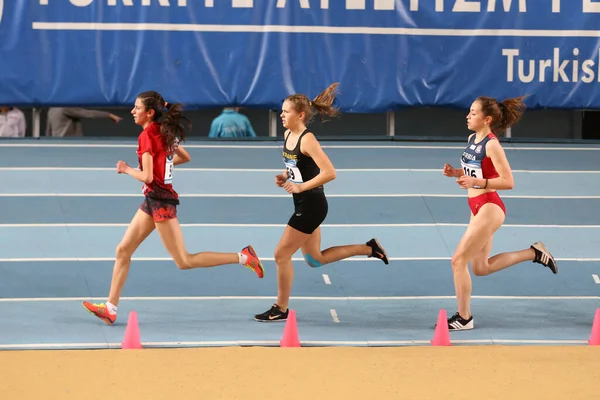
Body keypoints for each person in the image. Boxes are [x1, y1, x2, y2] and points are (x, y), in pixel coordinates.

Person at [82, 91, 264, 325]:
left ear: (149, 112)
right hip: (153, 200)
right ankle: (110, 308)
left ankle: (244, 257)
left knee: (184, 261)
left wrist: (126, 169)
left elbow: (147, 176)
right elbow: (184, 157)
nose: (132, 111)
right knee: (123, 250)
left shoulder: (147, 135)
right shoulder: (163, 130)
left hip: (161, 202)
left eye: (136, 107)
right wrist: (162, 162)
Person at [253, 83, 389, 322]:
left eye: (286, 112)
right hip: (303, 203)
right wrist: (285, 176)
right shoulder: (288, 135)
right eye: (281, 111)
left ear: (300, 115)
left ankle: (281, 308)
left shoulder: (308, 140)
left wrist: (300, 186)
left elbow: (330, 172)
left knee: (280, 255)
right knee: (315, 259)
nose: (281, 115)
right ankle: (370, 248)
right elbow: (297, 165)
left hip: (311, 206)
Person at [441, 95, 557, 331]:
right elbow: (474, 168)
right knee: (480, 268)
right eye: (469, 111)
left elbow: (508, 181)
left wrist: (478, 182)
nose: (468, 116)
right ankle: (533, 253)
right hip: (476, 208)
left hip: (489, 207)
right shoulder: (472, 138)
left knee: (458, 261)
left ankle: (464, 318)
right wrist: (455, 173)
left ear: (487, 119)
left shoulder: (492, 144)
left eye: (473, 113)